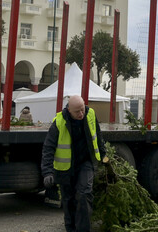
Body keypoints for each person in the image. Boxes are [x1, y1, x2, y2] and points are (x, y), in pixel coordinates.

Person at [41, 95, 108, 232]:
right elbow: (48, 148)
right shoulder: (59, 122)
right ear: (69, 110)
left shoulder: (90, 114)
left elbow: (98, 135)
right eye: (77, 111)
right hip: (65, 168)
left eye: (82, 109)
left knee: (84, 194)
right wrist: (47, 172)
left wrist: (103, 155)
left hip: (85, 163)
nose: (81, 114)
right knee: (68, 200)